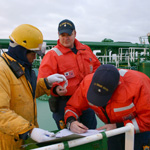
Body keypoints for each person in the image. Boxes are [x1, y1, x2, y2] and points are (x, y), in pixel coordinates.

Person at [0, 24, 68, 150]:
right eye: (33, 53)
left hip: (23, 139)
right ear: (22, 50)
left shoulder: (21, 67)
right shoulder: (2, 71)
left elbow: (26, 93)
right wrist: (30, 131)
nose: (35, 57)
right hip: (8, 143)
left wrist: (46, 82)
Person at [64, 64, 150, 150]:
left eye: (103, 96)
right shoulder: (86, 83)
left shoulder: (139, 84)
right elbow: (72, 107)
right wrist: (71, 122)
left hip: (139, 132)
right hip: (111, 132)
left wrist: (118, 126)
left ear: (118, 85)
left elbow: (147, 119)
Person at [37, 19, 101, 129]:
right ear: (58, 35)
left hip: (86, 102)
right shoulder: (52, 55)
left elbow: (97, 68)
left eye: (69, 35)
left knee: (91, 132)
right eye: (62, 35)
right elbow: (43, 79)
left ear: (75, 33)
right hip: (64, 104)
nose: (66, 38)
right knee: (71, 138)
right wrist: (56, 88)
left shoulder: (86, 50)